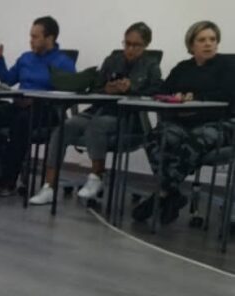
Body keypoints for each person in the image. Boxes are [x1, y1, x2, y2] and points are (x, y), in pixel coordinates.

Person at [29, 22, 162, 205]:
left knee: (97, 126)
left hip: (128, 116)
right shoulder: (112, 61)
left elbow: (157, 92)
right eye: (127, 43)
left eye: (136, 45)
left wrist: (132, 89)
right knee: (64, 127)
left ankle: (96, 177)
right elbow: (95, 88)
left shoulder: (151, 66)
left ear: (146, 45)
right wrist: (107, 89)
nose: (130, 49)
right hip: (99, 109)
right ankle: (49, 187)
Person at [132, 20, 235, 224]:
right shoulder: (182, 68)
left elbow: (228, 95)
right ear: (191, 44)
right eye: (202, 40)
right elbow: (163, 91)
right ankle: (173, 195)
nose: (208, 44)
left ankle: (162, 193)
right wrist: (175, 96)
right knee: (155, 137)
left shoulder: (229, 65)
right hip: (185, 122)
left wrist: (195, 97)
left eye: (213, 39)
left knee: (195, 139)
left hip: (221, 123)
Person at [0, 16, 76, 197]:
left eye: (35, 37)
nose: (31, 41)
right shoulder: (26, 58)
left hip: (46, 110)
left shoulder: (63, 63)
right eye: (30, 36)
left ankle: (9, 181)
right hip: (20, 105)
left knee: (20, 123)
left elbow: (70, 94)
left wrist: (38, 100)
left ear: (50, 38)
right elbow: (8, 80)